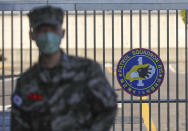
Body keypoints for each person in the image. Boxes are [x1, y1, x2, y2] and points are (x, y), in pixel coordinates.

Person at [11, 5, 118, 131]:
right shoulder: (26, 82)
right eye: (42, 30)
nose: (48, 35)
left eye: (53, 30)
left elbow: (108, 107)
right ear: (32, 35)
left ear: (62, 33)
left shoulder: (86, 70)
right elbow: (19, 124)